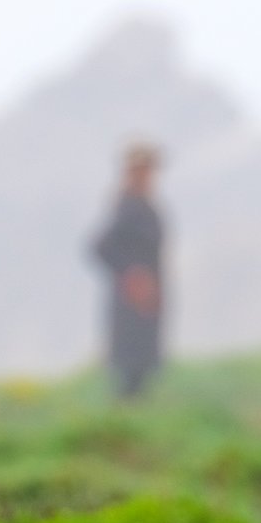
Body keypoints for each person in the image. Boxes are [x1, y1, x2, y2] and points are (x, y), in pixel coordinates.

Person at [88, 143, 166, 400]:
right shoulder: (128, 207)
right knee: (129, 369)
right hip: (132, 302)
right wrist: (131, 275)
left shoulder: (145, 205)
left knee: (143, 369)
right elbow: (100, 247)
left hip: (147, 302)